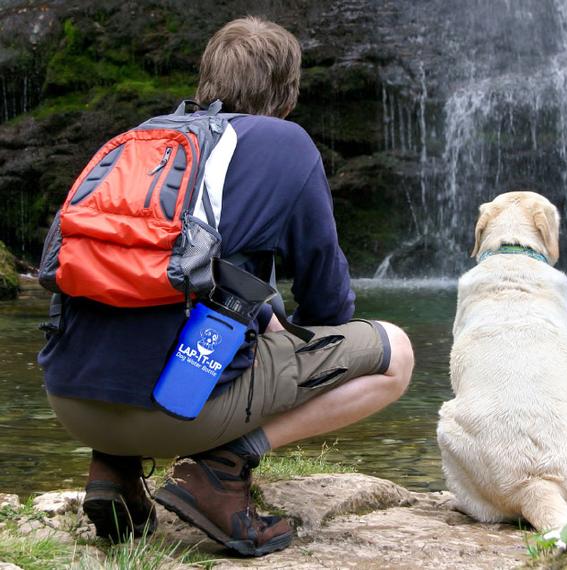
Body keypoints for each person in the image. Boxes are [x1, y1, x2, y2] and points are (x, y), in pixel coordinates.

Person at [38, 16, 414, 557]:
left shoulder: (142, 138)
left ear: (205, 79)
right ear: (287, 90)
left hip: (69, 400)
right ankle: (220, 469)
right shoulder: (288, 143)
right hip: (176, 412)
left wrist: (262, 314)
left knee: (174, 312)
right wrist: (283, 340)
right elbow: (327, 301)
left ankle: (114, 470)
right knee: (395, 354)